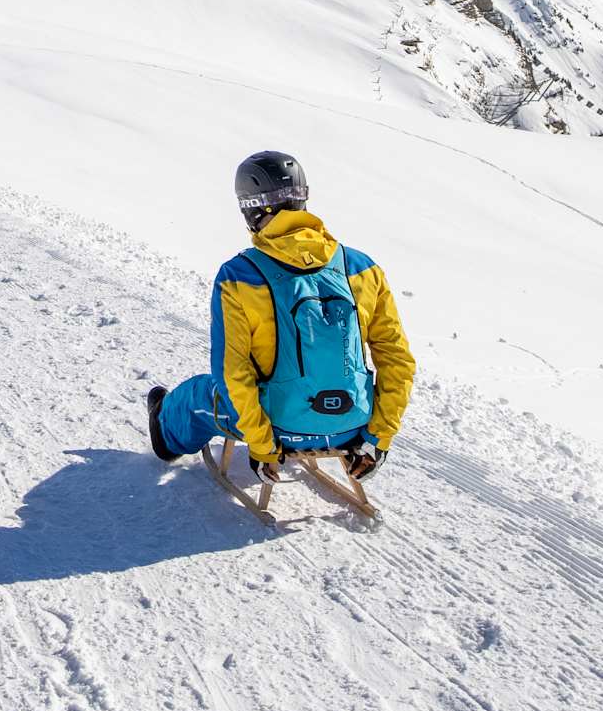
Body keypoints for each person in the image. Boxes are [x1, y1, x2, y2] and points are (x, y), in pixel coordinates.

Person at [147, 152, 414, 485]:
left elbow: (233, 372)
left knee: (201, 394)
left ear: (251, 209)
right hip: (354, 425)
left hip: (280, 430)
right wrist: (378, 438)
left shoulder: (238, 276)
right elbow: (397, 360)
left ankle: (164, 432)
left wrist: (262, 445)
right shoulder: (362, 267)